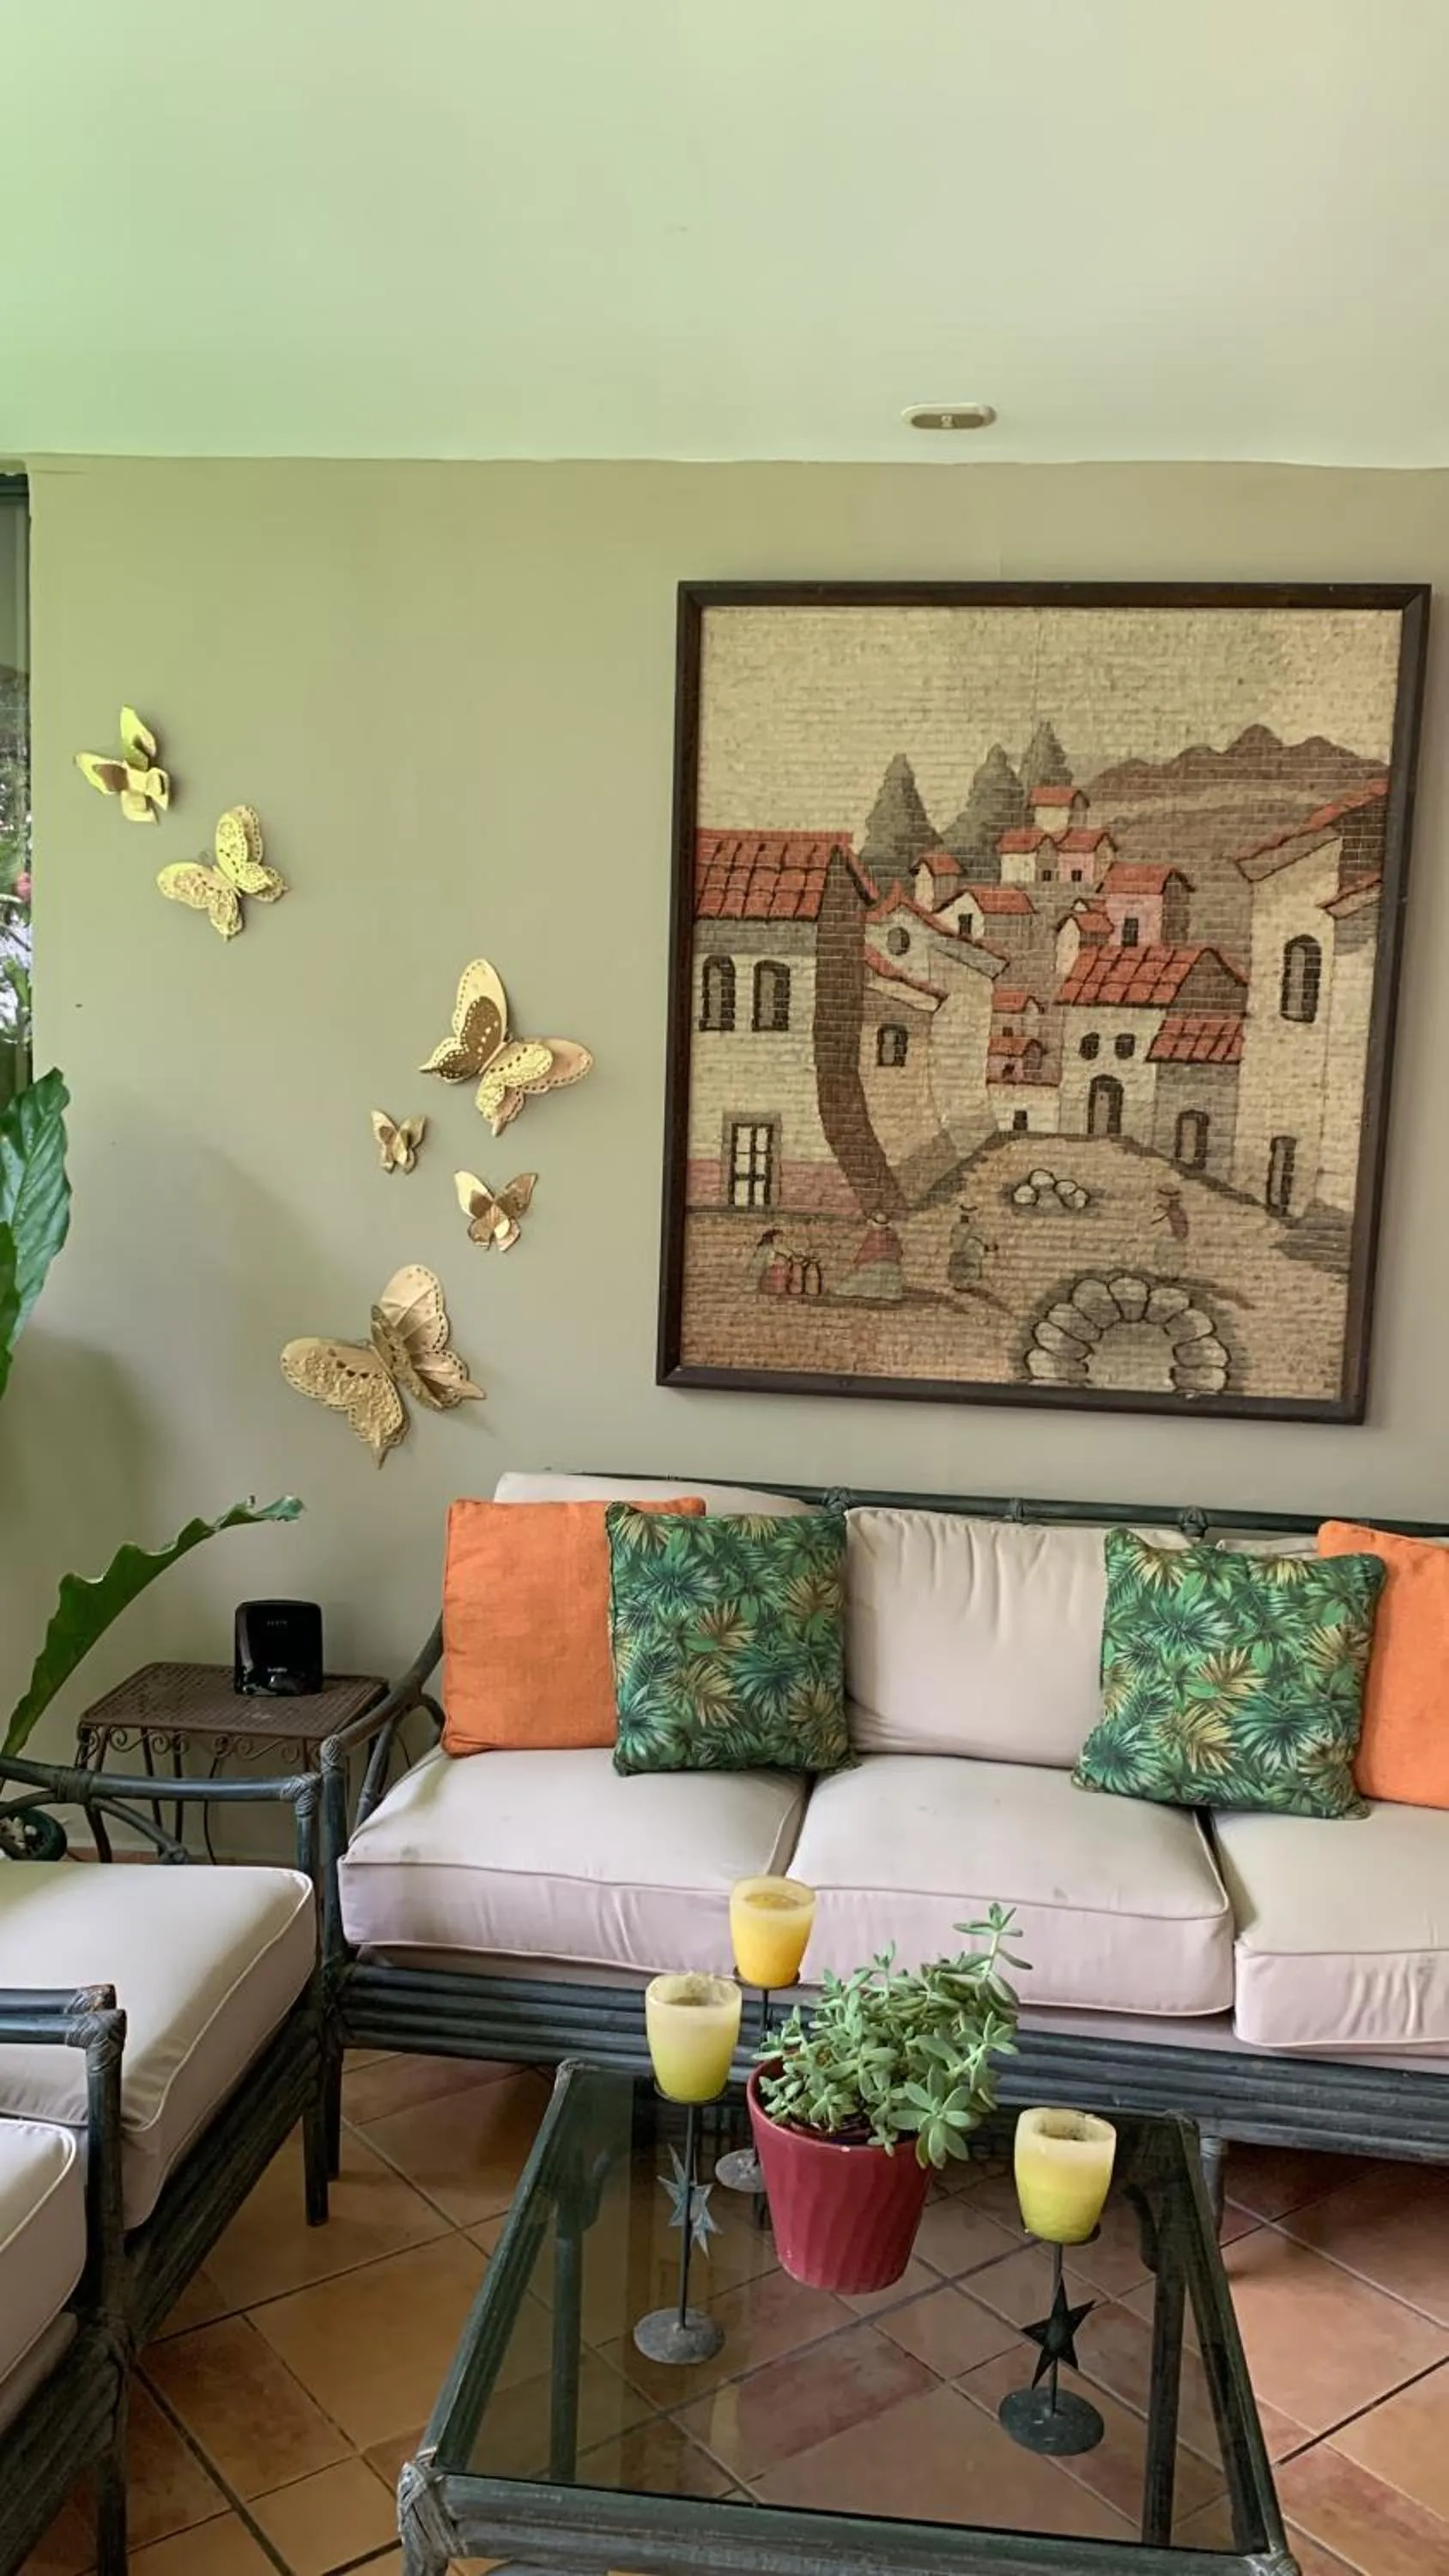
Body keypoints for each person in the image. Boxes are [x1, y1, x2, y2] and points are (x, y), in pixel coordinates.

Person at [834, 1210, 905, 1303]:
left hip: (875, 1265)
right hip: (890, 1265)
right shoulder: (892, 1235)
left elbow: (866, 1252)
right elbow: (899, 1251)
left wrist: (858, 1261)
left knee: (865, 1275)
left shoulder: (874, 1236)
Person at [946, 1199, 991, 1293]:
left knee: (969, 1267)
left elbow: (979, 1240)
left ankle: (967, 1282)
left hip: (971, 1255)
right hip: (964, 1254)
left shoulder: (976, 1228)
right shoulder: (958, 1227)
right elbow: (955, 1243)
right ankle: (960, 1283)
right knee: (962, 1266)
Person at [748, 1227, 791, 1295]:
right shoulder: (767, 1249)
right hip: (765, 1275)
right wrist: (778, 1263)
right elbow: (768, 1262)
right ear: (773, 1238)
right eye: (778, 1237)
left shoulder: (769, 1247)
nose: (780, 1239)